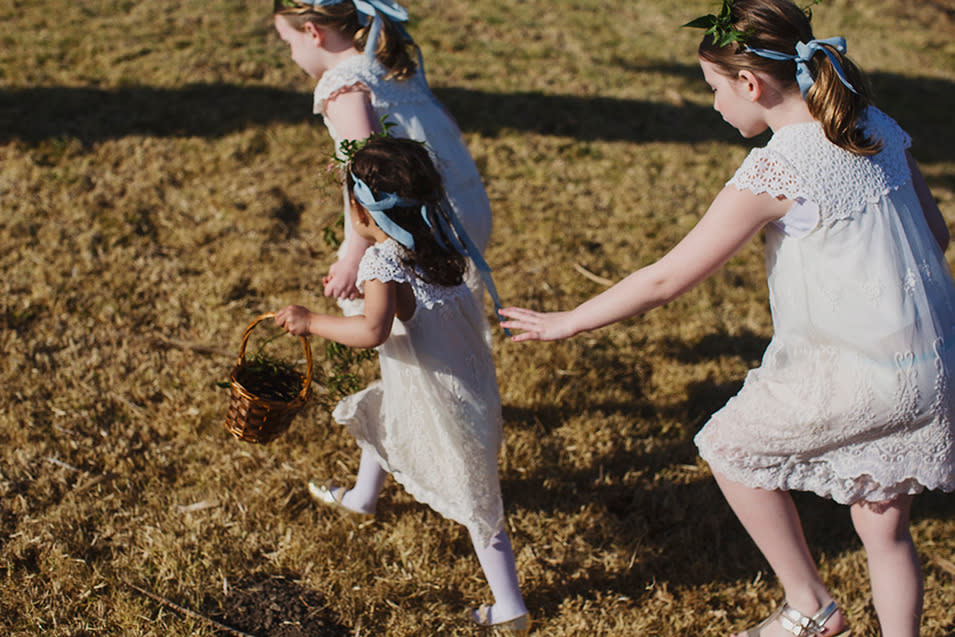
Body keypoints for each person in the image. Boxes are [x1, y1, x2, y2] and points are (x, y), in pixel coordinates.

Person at [499, 1, 955, 635]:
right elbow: (936, 232)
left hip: (854, 371)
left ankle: (810, 605)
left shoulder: (777, 167)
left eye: (714, 89)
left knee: (731, 447)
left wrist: (569, 320)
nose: (713, 105)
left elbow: (665, 278)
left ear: (750, 83)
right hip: (929, 363)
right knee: (883, 523)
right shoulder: (875, 124)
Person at [274, 136, 530, 632]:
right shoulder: (444, 241)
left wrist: (311, 322)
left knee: (478, 501)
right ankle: (362, 498)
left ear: (359, 209)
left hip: (444, 399)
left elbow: (371, 331)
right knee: (389, 417)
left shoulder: (384, 263)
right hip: (466, 383)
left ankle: (511, 607)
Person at [272, 0, 493, 307]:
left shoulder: (343, 86)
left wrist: (354, 257)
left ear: (312, 32)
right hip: (463, 207)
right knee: (455, 313)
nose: (292, 55)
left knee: (413, 322)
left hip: (419, 226)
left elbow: (374, 177)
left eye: (288, 43)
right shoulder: (391, 69)